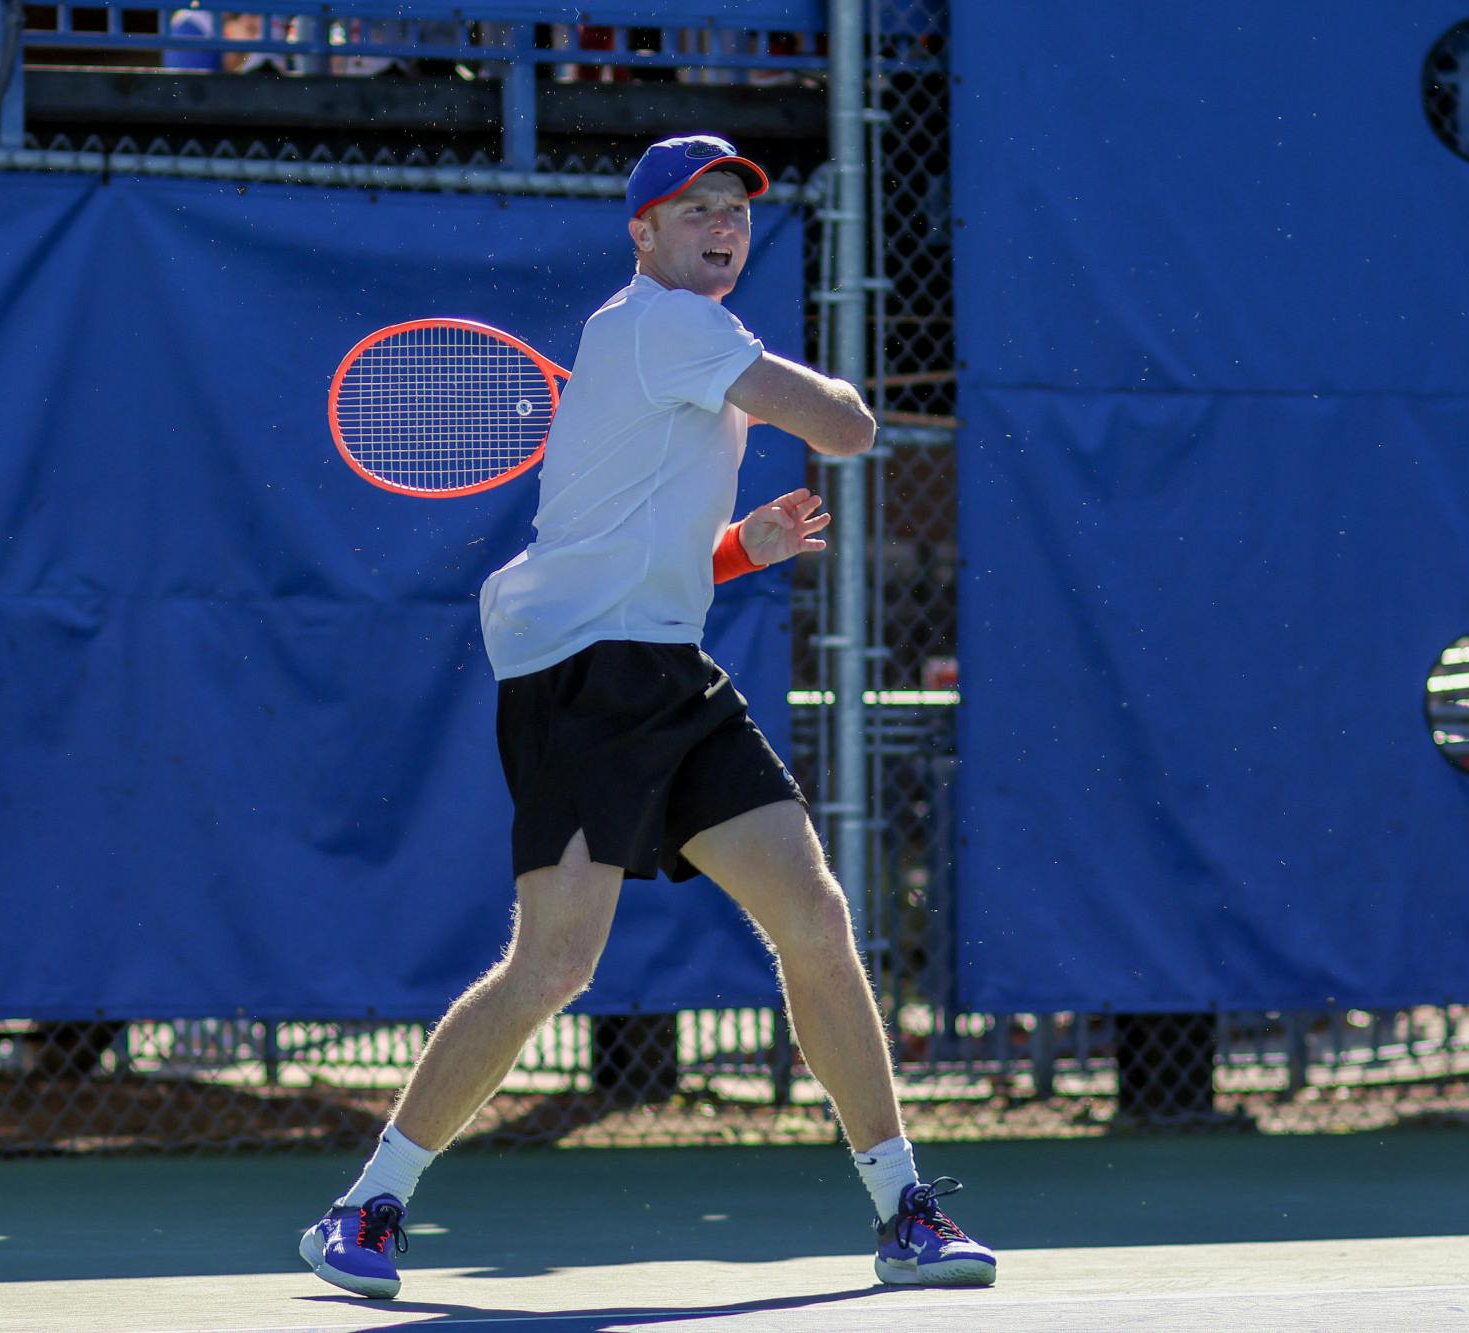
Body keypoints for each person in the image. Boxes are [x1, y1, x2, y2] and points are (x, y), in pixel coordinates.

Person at [299, 133, 997, 1300]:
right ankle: (365, 1207)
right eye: (692, 211)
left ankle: (903, 1210)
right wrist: (846, 404)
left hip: (667, 671)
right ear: (642, 234)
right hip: (581, 682)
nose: (721, 226)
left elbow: (629, 551)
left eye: (733, 209)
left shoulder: (666, 345)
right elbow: (846, 427)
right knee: (552, 966)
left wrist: (739, 547)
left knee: (814, 919)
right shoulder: (668, 327)